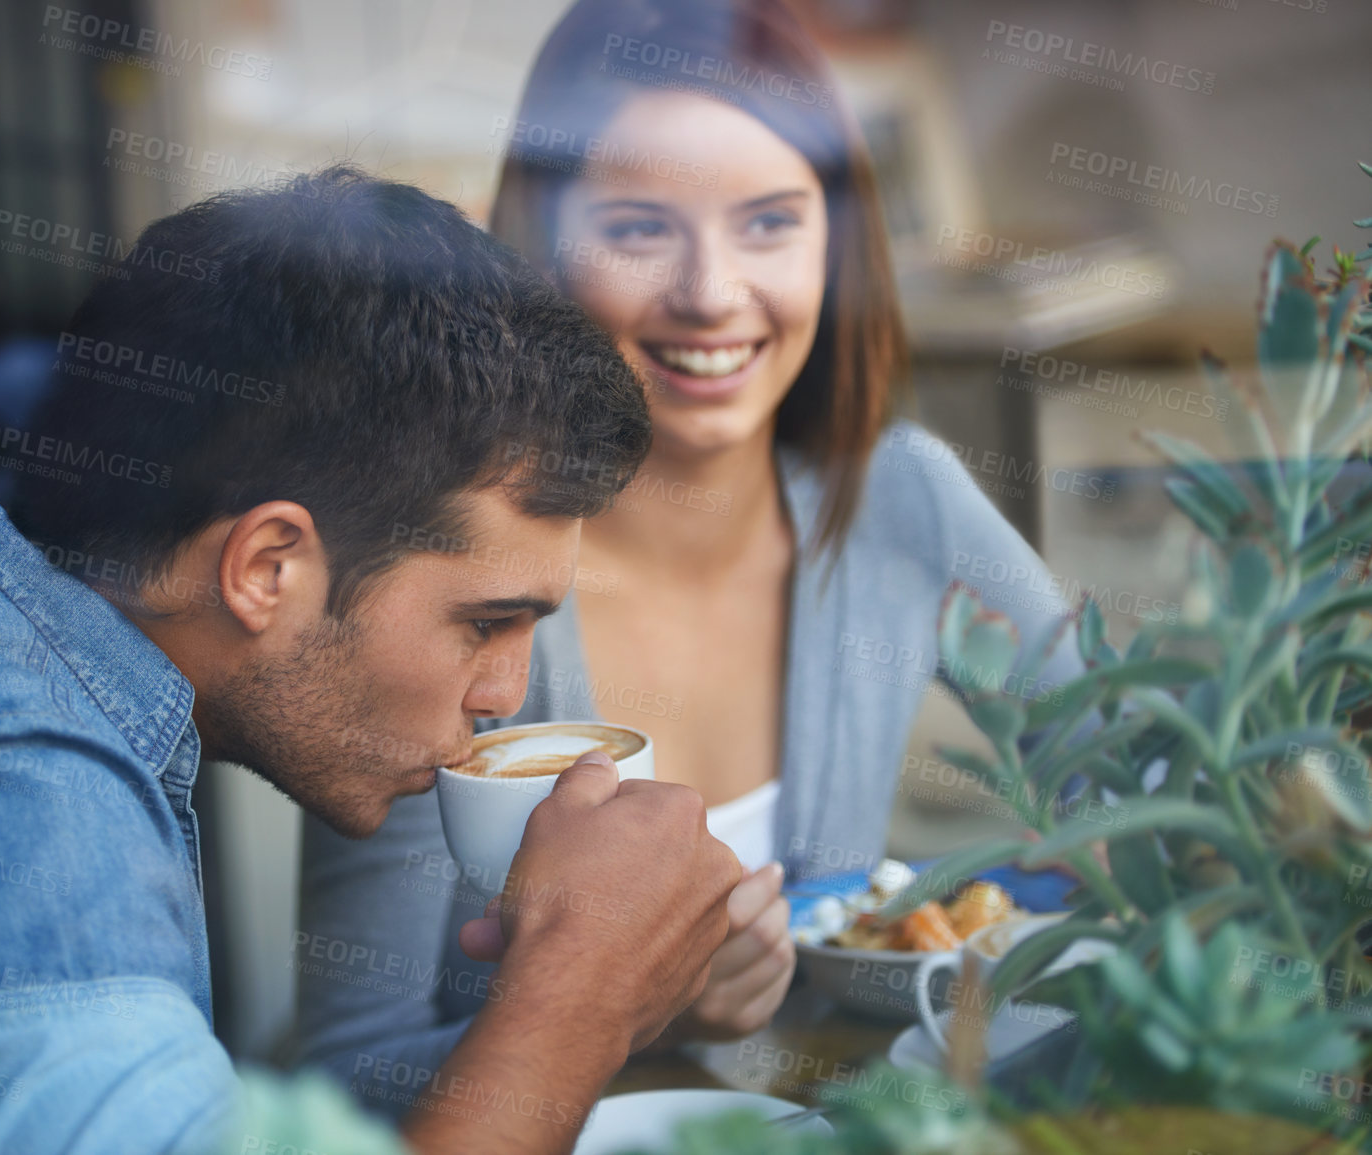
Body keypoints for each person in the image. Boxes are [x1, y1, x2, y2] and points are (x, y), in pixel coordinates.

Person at [0, 166, 742, 1155]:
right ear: (267, 564)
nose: (504, 696)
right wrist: (578, 993)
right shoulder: (2, 794)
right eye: (484, 622)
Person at [295, 0, 1085, 1106]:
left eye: (770, 223)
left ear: (838, 242)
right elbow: (338, 1079)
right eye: (639, 227)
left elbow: (1152, 783)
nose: (712, 293)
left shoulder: (902, 497)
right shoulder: (439, 564)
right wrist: (627, 1005)